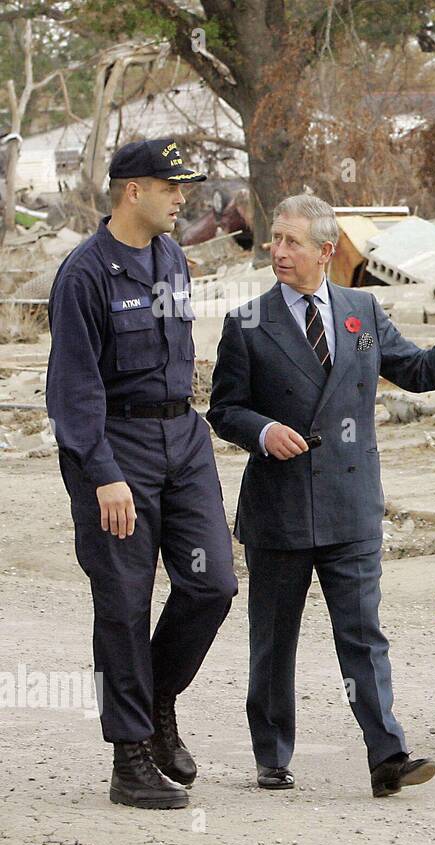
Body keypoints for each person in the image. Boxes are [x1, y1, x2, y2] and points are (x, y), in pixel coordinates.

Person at [207, 194, 435, 796]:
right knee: (274, 639)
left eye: (292, 241)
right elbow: (225, 408)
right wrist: (263, 431)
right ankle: (272, 754)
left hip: (351, 506)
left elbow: (420, 372)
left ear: (327, 250)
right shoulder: (245, 322)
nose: (278, 250)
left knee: (363, 636)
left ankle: (387, 755)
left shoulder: (362, 310)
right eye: (274, 239)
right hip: (280, 507)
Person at [46, 138, 238, 809]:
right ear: (134, 190)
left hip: (182, 439)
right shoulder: (84, 275)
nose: (182, 198)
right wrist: (102, 473)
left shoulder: (169, 258)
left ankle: (156, 701)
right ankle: (130, 757)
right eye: (171, 187)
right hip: (116, 446)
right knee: (123, 604)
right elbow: (72, 390)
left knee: (213, 582)